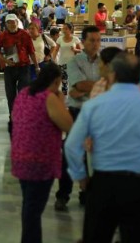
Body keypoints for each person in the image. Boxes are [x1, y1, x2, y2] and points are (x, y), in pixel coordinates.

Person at [65, 53, 140, 243]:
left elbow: (71, 146)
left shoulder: (93, 106)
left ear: (113, 75)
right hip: (139, 187)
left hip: (103, 185)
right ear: (139, 75)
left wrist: (82, 178)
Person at [11, 63, 73, 243]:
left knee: (29, 206)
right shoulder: (49, 98)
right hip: (40, 161)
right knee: (33, 210)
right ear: (56, 81)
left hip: (21, 157)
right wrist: (61, 101)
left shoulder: (24, 93)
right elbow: (68, 125)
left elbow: (15, 117)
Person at [55, 26, 101, 211]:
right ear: (83, 41)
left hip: (98, 114)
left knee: (94, 154)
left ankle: (87, 193)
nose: (95, 44)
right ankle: (63, 195)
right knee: (70, 152)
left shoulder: (105, 62)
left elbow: (83, 88)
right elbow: (78, 86)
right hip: (77, 112)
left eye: (98, 40)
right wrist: (102, 85)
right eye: (92, 40)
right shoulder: (75, 61)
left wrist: (84, 88)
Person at [0, 13, 38, 136]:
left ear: (17, 22)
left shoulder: (25, 34)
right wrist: (5, 61)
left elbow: (31, 51)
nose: (11, 24)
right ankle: (13, 116)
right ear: (6, 24)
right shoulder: (2, 36)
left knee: (23, 93)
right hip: (9, 69)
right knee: (10, 95)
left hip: (24, 67)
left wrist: (36, 66)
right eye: (9, 22)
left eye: (13, 22)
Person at [56, 23, 82, 95]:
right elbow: (56, 50)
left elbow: (82, 51)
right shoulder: (59, 39)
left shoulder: (75, 39)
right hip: (62, 63)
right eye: (63, 28)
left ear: (70, 30)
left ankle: (74, 97)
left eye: (66, 29)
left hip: (73, 64)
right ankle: (64, 99)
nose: (64, 30)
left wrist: (75, 50)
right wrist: (53, 60)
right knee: (64, 83)